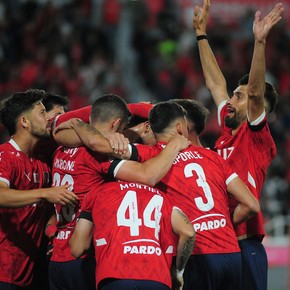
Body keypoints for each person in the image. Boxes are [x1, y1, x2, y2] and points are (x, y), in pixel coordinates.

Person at [105, 101, 260, 290]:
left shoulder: (151, 156)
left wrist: (114, 136)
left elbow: (107, 149)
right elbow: (251, 205)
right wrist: (222, 223)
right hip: (231, 254)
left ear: (151, 131)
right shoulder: (212, 157)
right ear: (180, 127)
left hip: (196, 255)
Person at [49, 93, 190, 290]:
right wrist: (173, 144)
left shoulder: (61, 149)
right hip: (86, 255)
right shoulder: (97, 156)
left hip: (58, 257)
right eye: (123, 128)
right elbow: (146, 175)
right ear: (115, 124)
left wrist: (78, 124)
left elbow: (61, 130)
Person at [192, 1, 283, 289]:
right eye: (234, 95)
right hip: (221, 245)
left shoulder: (256, 138)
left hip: (246, 244)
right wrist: (201, 34)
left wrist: (259, 42)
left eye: (238, 97)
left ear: (256, 110)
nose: (231, 100)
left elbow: (255, 95)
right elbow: (214, 84)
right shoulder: (227, 131)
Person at [0, 89, 78, 290]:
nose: (49, 118)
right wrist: (45, 193)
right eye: (42, 113)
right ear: (24, 122)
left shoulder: (41, 163)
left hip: (29, 272)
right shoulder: (5, 155)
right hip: (3, 271)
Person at [69, 181, 195, 290]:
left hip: (115, 274)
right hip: (158, 276)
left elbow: (77, 248)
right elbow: (188, 232)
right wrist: (178, 272)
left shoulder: (99, 192)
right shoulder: (163, 196)